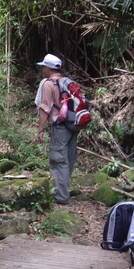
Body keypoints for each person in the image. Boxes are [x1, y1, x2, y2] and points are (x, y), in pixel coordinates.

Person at [35, 53, 78, 205]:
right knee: (69, 158)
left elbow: (45, 107)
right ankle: (63, 190)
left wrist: (40, 129)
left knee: (58, 159)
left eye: (43, 67)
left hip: (60, 126)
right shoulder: (68, 82)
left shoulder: (48, 84)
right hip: (73, 125)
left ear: (48, 68)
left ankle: (60, 196)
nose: (42, 70)